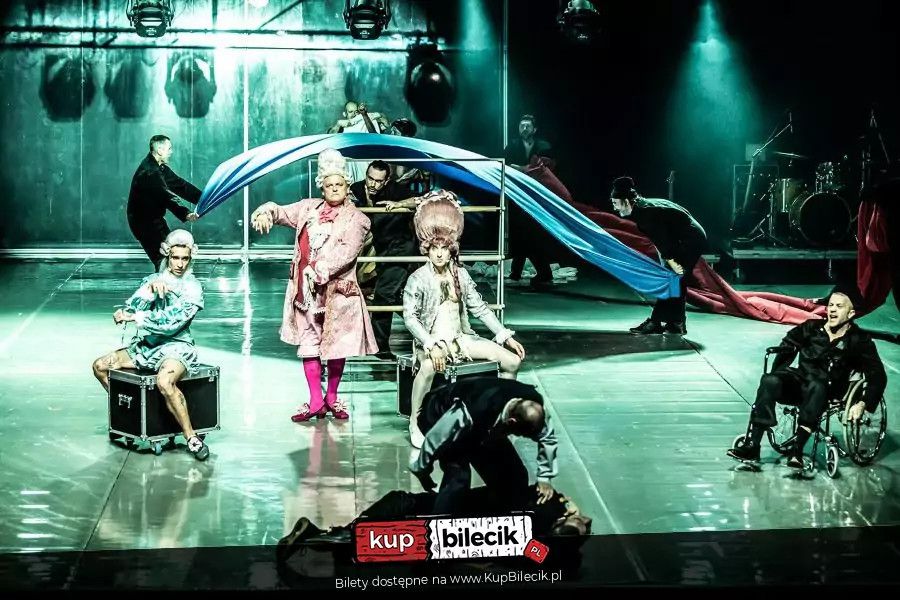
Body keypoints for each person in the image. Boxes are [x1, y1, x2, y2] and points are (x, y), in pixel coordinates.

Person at [251, 148, 378, 422]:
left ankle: (332, 396)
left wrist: (318, 269)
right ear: (322, 187)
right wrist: (266, 211)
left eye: (339, 184)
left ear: (347, 186)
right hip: (306, 294)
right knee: (309, 342)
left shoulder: (358, 219)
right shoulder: (308, 208)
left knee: (337, 345)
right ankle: (315, 400)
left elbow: (346, 253)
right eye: (329, 185)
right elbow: (281, 212)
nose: (335, 188)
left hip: (338, 294)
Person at [402, 190, 527, 447]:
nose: (439, 254)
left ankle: (497, 420)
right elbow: (410, 318)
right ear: (427, 249)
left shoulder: (461, 275)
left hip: (461, 339)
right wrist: (430, 344)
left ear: (451, 249)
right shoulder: (418, 278)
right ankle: (415, 422)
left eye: (444, 248)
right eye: (434, 248)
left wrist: (504, 336)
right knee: (428, 367)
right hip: (432, 342)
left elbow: (480, 308)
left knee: (512, 362)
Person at [727, 289, 887, 469]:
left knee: (817, 386)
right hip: (800, 382)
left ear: (850, 314)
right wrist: (777, 375)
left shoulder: (859, 340)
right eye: (830, 305)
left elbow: (877, 374)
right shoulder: (811, 327)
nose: (832, 310)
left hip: (829, 389)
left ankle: (797, 450)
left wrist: (863, 403)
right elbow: (787, 346)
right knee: (769, 380)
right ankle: (753, 445)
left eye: (839, 306)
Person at [91, 229, 209, 461]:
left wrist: (137, 317)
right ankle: (135, 415)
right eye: (175, 258)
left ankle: (191, 437)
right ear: (167, 256)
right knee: (100, 366)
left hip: (177, 346)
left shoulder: (193, 288)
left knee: (164, 381)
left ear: (190, 259)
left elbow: (172, 323)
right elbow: (132, 307)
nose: (180, 264)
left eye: (185, 259)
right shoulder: (154, 280)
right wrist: (147, 292)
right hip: (148, 346)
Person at [276, 483, 591, 562]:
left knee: (376, 536)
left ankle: (324, 536)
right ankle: (326, 536)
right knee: (376, 534)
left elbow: (535, 552)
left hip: (444, 524)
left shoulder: (542, 528)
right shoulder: (547, 505)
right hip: (441, 518)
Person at [409, 375, 558, 515]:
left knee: (515, 475)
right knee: (458, 478)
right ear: (512, 422)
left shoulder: (534, 405)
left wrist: (544, 478)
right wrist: (422, 469)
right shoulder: (471, 411)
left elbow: (547, 438)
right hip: (439, 413)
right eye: (522, 434)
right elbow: (436, 438)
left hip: (485, 426)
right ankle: (441, 523)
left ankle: (504, 517)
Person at [609, 176, 708, 335]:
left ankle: (656, 322)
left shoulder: (645, 214)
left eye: (616, 203)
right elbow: (664, 238)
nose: (614, 208)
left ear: (626, 202)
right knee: (675, 281)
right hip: (686, 238)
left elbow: (666, 244)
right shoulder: (644, 206)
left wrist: (670, 265)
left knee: (671, 279)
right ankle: (676, 324)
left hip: (690, 241)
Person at [349, 160, 417, 359]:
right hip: (376, 251)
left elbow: (422, 199)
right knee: (392, 296)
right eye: (370, 178)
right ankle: (427, 326)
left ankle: (380, 347)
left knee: (385, 294)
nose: (373, 184)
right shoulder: (357, 189)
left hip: (400, 249)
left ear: (386, 180)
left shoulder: (396, 190)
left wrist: (400, 205)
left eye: (379, 181)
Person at [126, 135, 201, 271]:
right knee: (164, 261)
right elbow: (166, 196)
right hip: (144, 224)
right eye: (169, 148)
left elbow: (179, 185)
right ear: (160, 150)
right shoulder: (150, 172)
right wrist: (186, 213)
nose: (171, 152)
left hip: (154, 220)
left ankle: (166, 281)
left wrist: (202, 198)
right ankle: (161, 283)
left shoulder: (159, 167)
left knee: (169, 257)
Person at [503, 115, 554, 287]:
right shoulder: (512, 146)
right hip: (517, 195)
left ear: (534, 129)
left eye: (527, 126)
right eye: (521, 126)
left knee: (533, 234)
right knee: (520, 233)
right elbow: (506, 166)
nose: (524, 129)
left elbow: (546, 169)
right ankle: (519, 272)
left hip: (537, 197)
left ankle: (541, 273)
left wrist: (522, 169)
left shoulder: (543, 146)